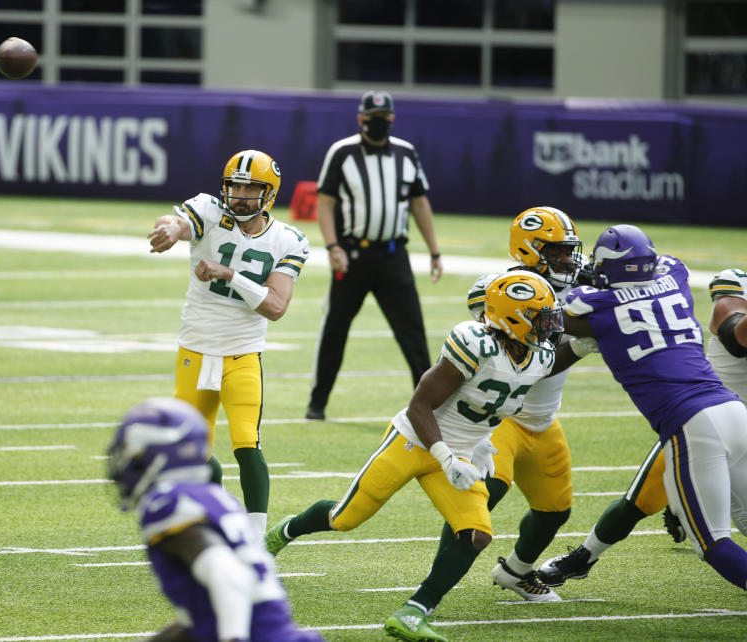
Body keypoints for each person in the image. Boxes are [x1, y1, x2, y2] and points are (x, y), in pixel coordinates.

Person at [267, 272, 585, 642]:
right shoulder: (474, 343)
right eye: (540, 317)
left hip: (462, 452)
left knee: (476, 535)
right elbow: (420, 406)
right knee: (345, 518)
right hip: (415, 441)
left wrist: (581, 348)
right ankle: (282, 533)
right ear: (513, 318)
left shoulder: (538, 353)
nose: (549, 326)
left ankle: (414, 612)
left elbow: (546, 366)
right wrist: (446, 457)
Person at [543, 225, 747, 592]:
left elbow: (552, 317)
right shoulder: (676, 272)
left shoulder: (596, 307)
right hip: (734, 412)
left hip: (692, 425)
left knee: (714, 544)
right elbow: (645, 277)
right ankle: (584, 557)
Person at [422, 206, 597, 604]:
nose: (568, 260)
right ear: (528, 250)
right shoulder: (500, 290)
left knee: (554, 510)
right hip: (498, 419)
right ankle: (429, 592)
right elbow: (536, 361)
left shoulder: (575, 284)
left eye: (569, 251)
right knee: (478, 506)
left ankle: (515, 572)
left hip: (543, 420)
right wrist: (586, 336)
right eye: (557, 252)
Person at [148, 150, 309, 537]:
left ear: (268, 192)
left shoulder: (288, 240)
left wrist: (229, 274)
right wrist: (168, 228)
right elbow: (177, 221)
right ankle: (220, 510)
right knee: (189, 451)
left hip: (242, 351)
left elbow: (275, 306)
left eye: (250, 187)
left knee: (246, 442)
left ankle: (256, 538)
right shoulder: (208, 211)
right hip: (195, 348)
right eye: (235, 185)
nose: (239, 195)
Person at [107, 397, 323, 642]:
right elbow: (203, 621)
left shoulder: (166, 502)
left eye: (134, 456)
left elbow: (228, 575)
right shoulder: (214, 498)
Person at [306, 90, 443, 421]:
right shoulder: (342, 152)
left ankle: (430, 408)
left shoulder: (406, 153)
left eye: (384, 120)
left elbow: (419, 202)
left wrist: (434, 251)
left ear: (392, 120)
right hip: (352, 254)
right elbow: (324, 201)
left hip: (394, 255)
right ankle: (317, 403)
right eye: (373, 120)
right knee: (335, 328)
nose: (378, 125)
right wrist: (332, 246)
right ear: (360, 119)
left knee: (412, 331)